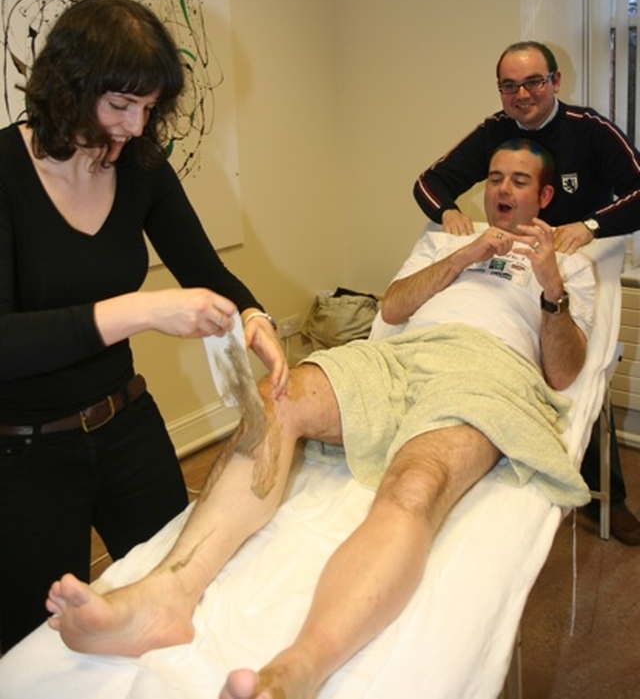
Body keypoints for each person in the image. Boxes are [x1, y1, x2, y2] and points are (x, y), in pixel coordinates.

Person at [47, 139, 595, 699]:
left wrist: (551, 285)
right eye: (495, 177)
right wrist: (463, 256)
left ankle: (295, 673)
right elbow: (392, 310)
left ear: (545, 194)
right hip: (401, 355)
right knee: (274, 399)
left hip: (485, 370)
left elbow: (564, 372)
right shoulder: (447, 242)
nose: (502, 189)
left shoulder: (570, 265)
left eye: (519, 181)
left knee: (414, 483)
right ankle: (166, 595)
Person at [0, 0, 287, 653]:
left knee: (175, 589)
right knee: (34, 641)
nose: (134, 126)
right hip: (25, 453)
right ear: (70, 87)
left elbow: (203, 267)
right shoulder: (4, 174)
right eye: (120, 105)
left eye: (148, 107)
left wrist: (253, 315)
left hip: (125, 424)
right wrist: (146, 308)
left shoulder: (140, 168)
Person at [413, 40, 640, 545]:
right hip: (504, 269)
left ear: (555, 82)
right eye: (510, 85)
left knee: (580, 380)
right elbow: (428, 182)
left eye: (534, 82)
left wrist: (591, 225)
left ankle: (610, 497)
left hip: (570, 264)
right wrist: (448, 210)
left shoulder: (591, 130)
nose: (523, 95)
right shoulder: (494, 130)